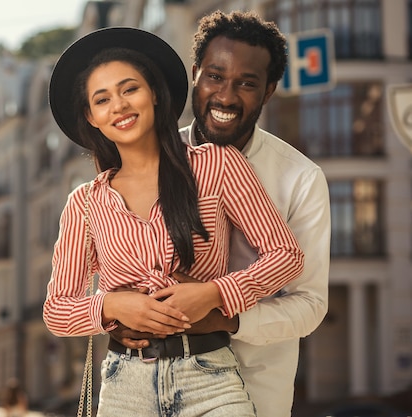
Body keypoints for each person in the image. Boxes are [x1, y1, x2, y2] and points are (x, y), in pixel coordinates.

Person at [43, 26, 305, 416]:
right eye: (102, 99)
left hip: (210, 379)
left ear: (153, 92)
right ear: (92, 117)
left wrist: (215, 293)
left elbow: (286, 255)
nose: (118, 105)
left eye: (129, 89)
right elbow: (57, 310)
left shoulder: (217, 165)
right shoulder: (85, 203)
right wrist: (113, 305)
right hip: (123, 388)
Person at [110, 10, 331, 417]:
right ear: (195, 73)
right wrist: (115, 313)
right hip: (147, 383)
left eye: (247, 83)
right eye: (215, 76)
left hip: (255, 391)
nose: (226, 97)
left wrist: (222, 317)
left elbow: (310, 305)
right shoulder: (146, 160)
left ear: (268, 91)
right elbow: (104, 264)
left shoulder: (301, 178)